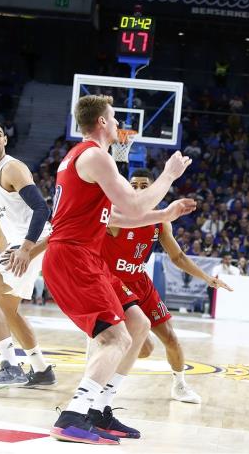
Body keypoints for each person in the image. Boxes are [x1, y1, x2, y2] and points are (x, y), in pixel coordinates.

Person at [44, 95, 194, 445]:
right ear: (101, 122)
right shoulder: (95, 156)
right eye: (113, 118)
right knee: (116, 337)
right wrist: (169, 175)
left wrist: (164, 215)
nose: (117, 124)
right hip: (73, 257)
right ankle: (73, 415)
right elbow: (134, 205)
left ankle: (99, 409)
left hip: (85, 256)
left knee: (138, 324)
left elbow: (114, 217)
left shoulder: (80, 158)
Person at [101, 168, 233, 403]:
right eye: (134, 185)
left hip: (141, 283)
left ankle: (180, 386)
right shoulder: (117, 217)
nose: (138, 189)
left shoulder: (160, 222)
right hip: (114, 286)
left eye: (144, 186)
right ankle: (101, 378)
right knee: (142, 349)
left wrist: (207, 278)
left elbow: (178, 257)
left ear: (154, 190)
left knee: (170, 338)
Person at [0, 120, 54, 388]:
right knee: (7, 310)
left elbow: (42, 209)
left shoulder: (12, 168)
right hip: (18, 245)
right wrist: (1, 258)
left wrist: (26, 249)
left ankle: (10, 366)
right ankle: (41, 370)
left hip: (35, 241)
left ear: (5, 140)